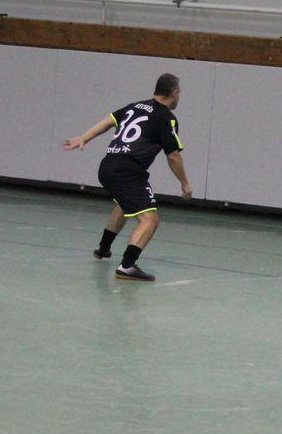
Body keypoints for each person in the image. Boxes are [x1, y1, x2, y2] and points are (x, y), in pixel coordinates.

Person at [63, 73, 191, 282]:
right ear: (174, 92)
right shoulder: (166, 118)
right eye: (179, 93)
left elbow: (108, 122)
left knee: (125, 204)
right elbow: (173, 156)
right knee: (150, 220)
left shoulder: (134, 107)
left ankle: (103, 248)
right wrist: (185, 183)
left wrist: (84, 137)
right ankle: (127, 266)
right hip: (128, 171)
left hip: (108, 166)